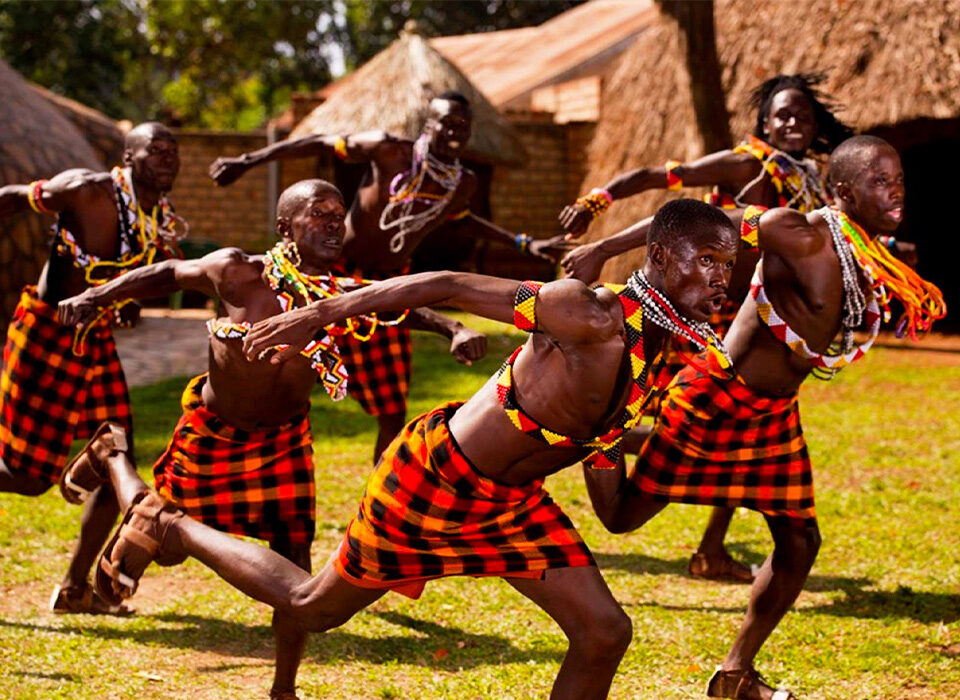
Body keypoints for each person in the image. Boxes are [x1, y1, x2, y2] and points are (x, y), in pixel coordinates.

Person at [62, 198, 740, 699]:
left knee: (604, 633)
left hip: (510, 505)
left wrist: (684, 465)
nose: (720, 278)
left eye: (728, 266)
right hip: (434, 480)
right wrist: (323, 311)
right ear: (658, 256)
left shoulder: (662, 350)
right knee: (310, 606)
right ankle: (167, 519)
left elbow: (614, 509)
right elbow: (446, 285)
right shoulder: (586, 312)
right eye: (706, 259)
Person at [58, 179, 486, 699]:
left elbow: (400, 303)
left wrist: (452, 329)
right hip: (211, 435)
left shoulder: (335, 293)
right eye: (319, 214)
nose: (335, 223)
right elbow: (168, 272)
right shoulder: (238, 273)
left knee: (294, 566)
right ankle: (113, 453)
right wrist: (97, 292)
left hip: (284, 444)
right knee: (167, 550)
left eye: (339, 214)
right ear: (285, 227)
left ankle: (284, 689)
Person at [578, 136, 945, 699]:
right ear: (844, 192)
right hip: (718, 395)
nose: (895, 191)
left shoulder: (871, 253)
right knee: (622, 518)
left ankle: (734, 673)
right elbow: (688, 225)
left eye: (899, 181)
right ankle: (593, 434)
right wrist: (603, 247)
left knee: (800, 542)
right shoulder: (794, 232)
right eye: (880, 182)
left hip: (774, 414)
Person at [559, 74, 860, 582]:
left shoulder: (809, 178)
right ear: (763, 123)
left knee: (743, 431)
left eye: (803, 116)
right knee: (674, 417)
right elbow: (661, 183)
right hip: (705, 314)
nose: (792, 124)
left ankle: (708, 548)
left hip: (756, 316)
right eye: (781, 115)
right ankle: (581, 439)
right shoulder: (747, 162)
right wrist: (597, 208)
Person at [210, 91, 570, 462]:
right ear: (427, 124)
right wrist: (248, 160)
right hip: (331, 275)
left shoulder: (461, 182)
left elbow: (459, 219)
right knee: (274, 374)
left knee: (392, 407)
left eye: (462, 125)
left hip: (389, 286)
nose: (454, 131)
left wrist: (523, 243)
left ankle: (381, 492)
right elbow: (317, 141)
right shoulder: (389, 151)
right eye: (446, 122)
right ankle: (241, 445)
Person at [0, 122, 183, 614]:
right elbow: (12, 197)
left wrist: (127, 302)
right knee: (29, 476)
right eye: (155, 149)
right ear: (128, 155)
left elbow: (138, 279)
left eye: (173, 151)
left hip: (94, 340)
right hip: (45, 336)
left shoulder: (156, 216)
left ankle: (74, 589)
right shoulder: (87, 190)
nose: (167, 158)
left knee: (113, 456)